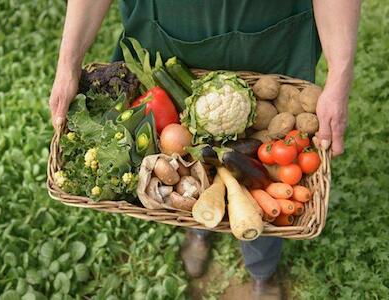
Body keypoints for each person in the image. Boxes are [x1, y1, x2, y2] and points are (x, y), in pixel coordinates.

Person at [49, 0, 361, 298]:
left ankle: (261, 269)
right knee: (185, 167)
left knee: (265, 180)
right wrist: (68, 63)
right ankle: (198, 226)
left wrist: (340, 78)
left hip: (269, 45)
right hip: (167, 42)